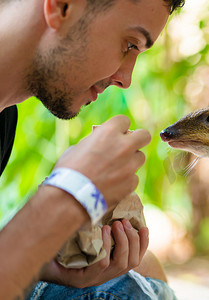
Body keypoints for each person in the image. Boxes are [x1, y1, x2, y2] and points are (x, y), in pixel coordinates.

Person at [0, 0, 184, 299]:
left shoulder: (5, 117)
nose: (125, 79)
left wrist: (45, 262)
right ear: (62, 6)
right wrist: (70, 194)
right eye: (129, 44)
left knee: (139, 270)